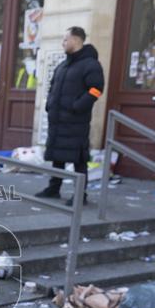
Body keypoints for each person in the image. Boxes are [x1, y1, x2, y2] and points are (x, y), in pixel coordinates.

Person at [35, 26, 105, 206]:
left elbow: (96, 90)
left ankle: (80, 195)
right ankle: (54, 188)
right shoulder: (63, 65)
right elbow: (52, 87)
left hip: (76, 121)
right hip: (58, 120)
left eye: (65, 39)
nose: (63, 42)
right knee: (58, 156)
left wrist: (77, 106)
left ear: (76, 40)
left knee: (79, 159)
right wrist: (50, 105)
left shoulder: (91, 64)